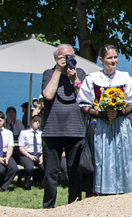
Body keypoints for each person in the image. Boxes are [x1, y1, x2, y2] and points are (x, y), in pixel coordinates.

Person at [80, 45, 132, 195]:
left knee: (123, 156)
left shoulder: (124, 77)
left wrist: (119, 112)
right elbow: (83, 104)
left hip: (120, 124)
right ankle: (101, 190)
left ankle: (124, 188)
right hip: (100, 123)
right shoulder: (92, 78)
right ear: (101, 60)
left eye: (115, 57)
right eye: (109, 58)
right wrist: (101, 114)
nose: (113, 61)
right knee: (101, 157)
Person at [40, 43, 93, 208]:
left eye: (71, 56)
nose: (69, 59)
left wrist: (74, 78)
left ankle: (74, 206)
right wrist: (58, 70)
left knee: (74, 173)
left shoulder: (81, 73)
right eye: (64, 57)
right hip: (52, 131)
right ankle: (48, 207)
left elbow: (85, 97)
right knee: (50, 173)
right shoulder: (48, 73)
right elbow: (48, 95)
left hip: (75, 131)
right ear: (56, 58)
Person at [17, 114, 44, 189]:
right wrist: (29, 156)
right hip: (27, 154)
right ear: (31, 122)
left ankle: (40, 183)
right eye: (35, 121)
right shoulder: (24, 133)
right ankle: (27, 184)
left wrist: (41, 156)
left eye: (39, 121)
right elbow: (21, 147)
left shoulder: (41, 133)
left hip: (39, 154)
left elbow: (43, 146)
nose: (37, 123)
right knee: (29, 167)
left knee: (44, 167)